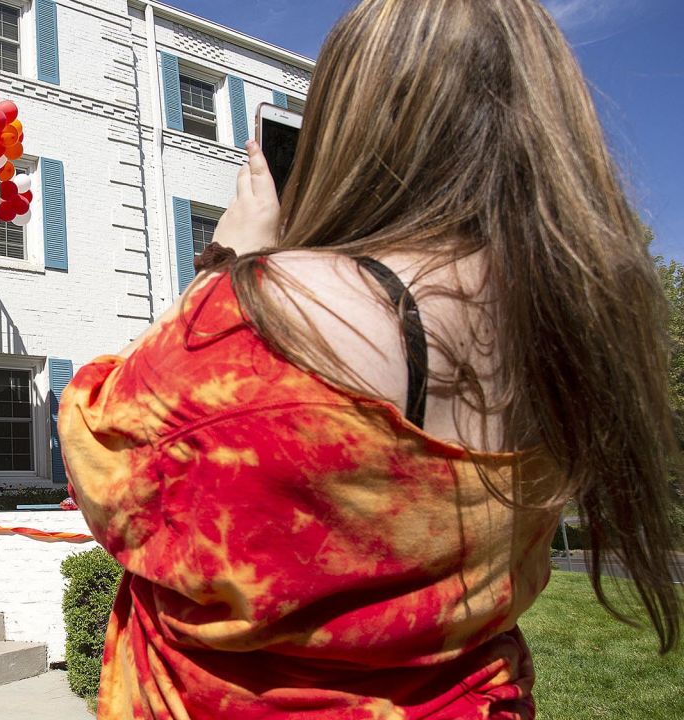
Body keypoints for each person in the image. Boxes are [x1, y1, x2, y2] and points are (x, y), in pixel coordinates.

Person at [58, 1, 683, 717]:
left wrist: (226, 262)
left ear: (352, 121)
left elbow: (110, 462)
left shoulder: (273, 301)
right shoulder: (571, 323)